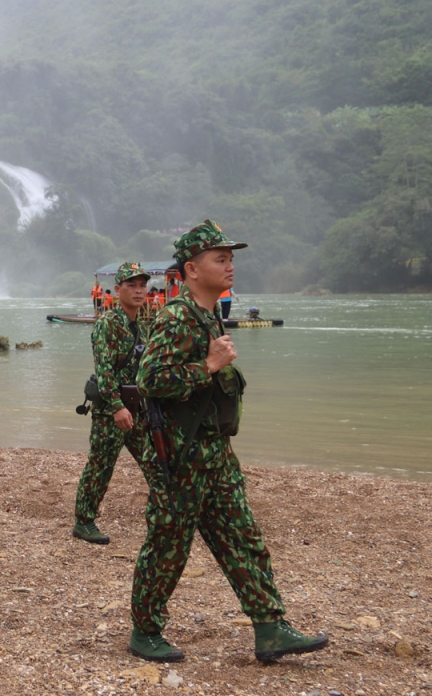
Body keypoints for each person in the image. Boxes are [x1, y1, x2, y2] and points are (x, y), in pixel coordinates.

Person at [129, 220, 328, 663]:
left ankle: (270, 627)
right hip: (181, 456)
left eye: (231, 258)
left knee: (243, 536)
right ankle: (144, 631)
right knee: (168, 545)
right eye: (221, 259)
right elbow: (149, 381)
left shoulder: (207, 313)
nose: (230, 265)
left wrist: (211, 366)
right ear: (193, 270)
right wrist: (209, 365)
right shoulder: (177, 315)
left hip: (215, 452)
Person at [72, 262, 155, 545]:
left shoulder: (140, 326)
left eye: (142, 285)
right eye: (131, 286)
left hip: (138, 410)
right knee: (100, 466)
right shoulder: (108, 324)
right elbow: (104, 370)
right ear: (118, 290)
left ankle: (163, 519)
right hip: (112, 411)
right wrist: (117, 407)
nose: (138, 290)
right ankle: (83, 522)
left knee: (155, 463)